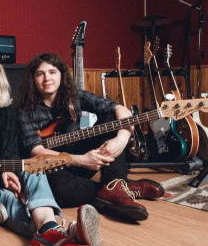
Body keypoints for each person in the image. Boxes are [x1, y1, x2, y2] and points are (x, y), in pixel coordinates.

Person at [0, 55, 102, 246]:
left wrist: (9, 170)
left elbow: (11, 152)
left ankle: (49, 232)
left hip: (5, 171)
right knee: (7, 200)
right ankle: (63, 232)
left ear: (0, 78)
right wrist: (2, 174)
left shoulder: (8, 112)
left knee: (34, 165)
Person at [15, 53, 164, 221]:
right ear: (33, 79)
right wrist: (82, 160)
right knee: (57, 190)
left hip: (77, 151)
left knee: (112, 118)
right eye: (40, 74)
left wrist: (121, 140)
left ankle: (114, 187)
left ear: (61, 75)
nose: (47, 78)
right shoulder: (24, 109)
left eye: (52, 72)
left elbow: (119, 109)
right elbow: (36, 151)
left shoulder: (73, 96)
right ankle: (118, 190)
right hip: (52, 165)